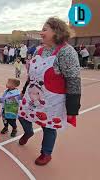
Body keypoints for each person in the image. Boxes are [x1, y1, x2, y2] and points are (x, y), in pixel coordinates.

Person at [18, 17, 81, 166]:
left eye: (45, 29)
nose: (41, 33)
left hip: (52, 100)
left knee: (48, 127)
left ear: (57, 31)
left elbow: (73, 80)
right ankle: (28, 132)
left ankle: (46, 153)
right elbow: (32, 75)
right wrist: (24, 90)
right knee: (22, 116)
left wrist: (72, 108)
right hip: (32, 95)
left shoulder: (67, 52)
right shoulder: (39, 50)